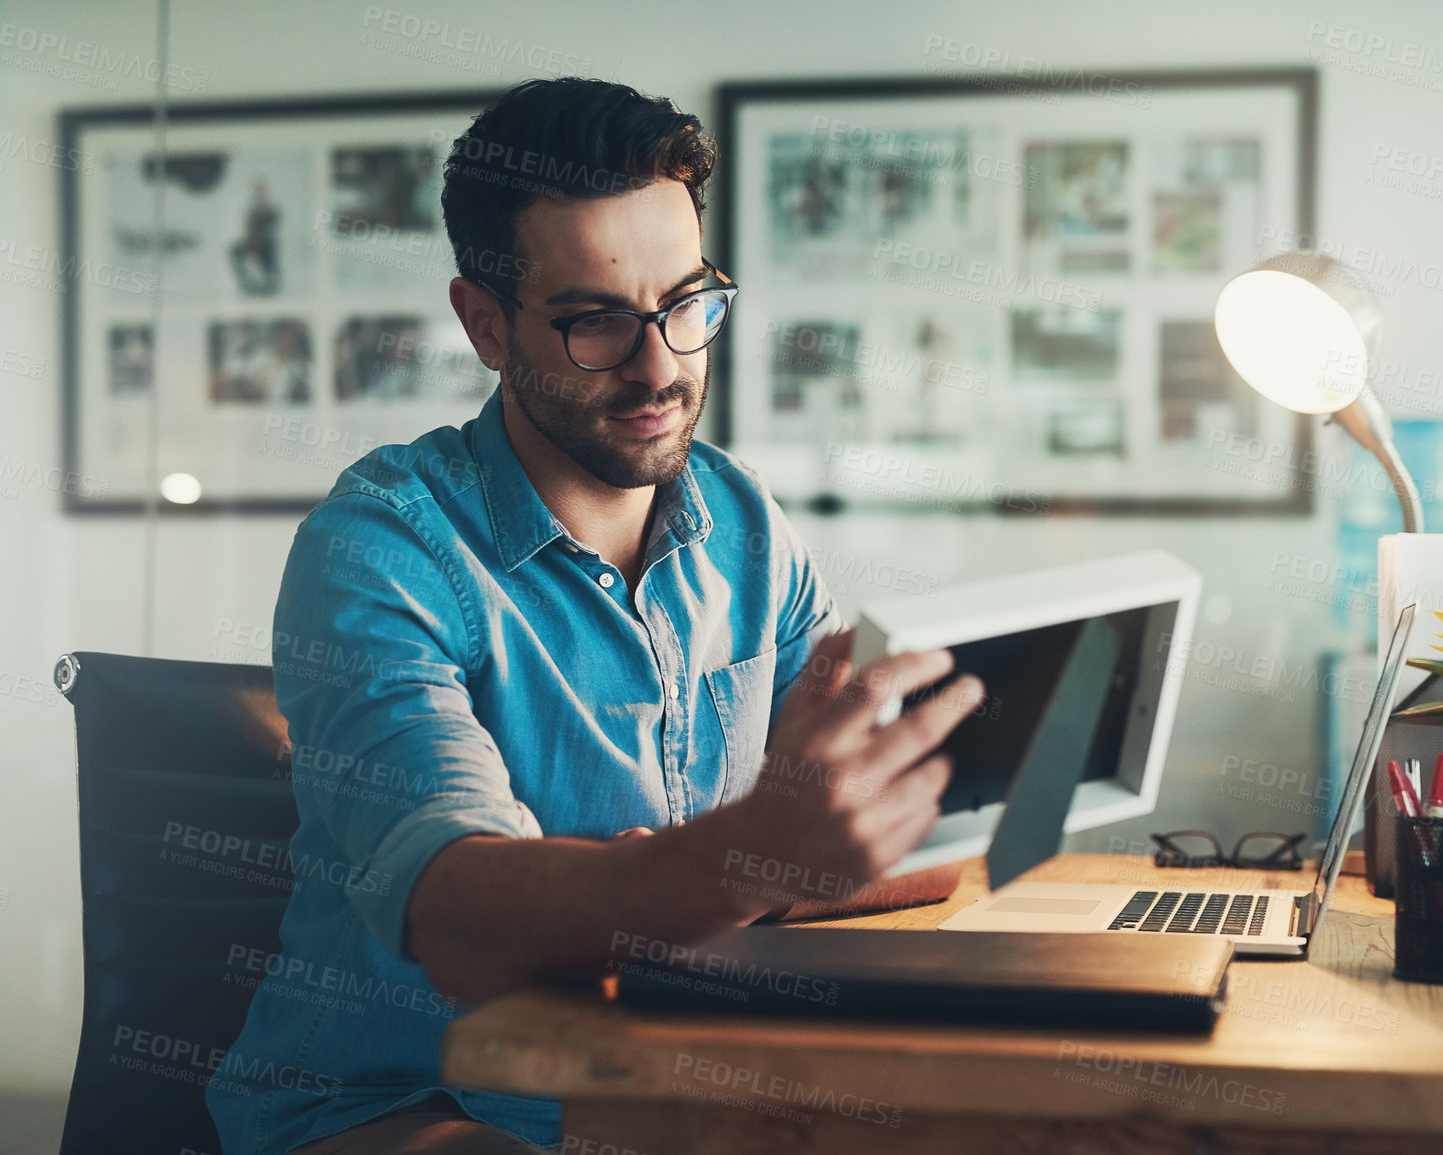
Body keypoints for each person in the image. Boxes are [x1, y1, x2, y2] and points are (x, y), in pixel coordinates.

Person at [207, 77, 982, 1154]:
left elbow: (872, 832)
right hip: (409, 1105)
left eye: (687, 303)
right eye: (594, 325)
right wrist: (746, 861)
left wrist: (807, 840)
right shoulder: (380, 550)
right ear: (484, 323)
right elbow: (460, 920)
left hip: (663, 1087)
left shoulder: (747, 523)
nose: (661, 365)